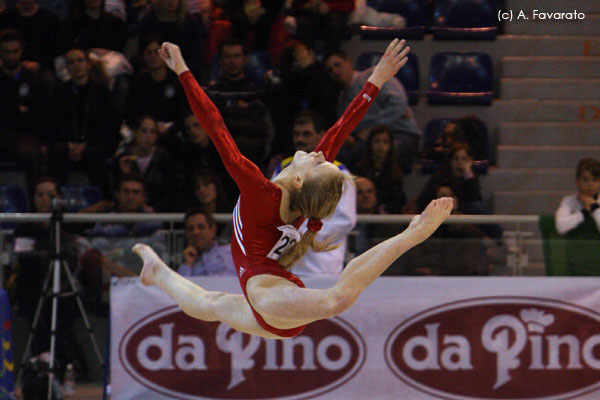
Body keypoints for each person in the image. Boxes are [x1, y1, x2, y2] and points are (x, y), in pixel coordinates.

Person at [134, 39, 453, 340]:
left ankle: (414, 234)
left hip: (269, 298)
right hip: (272, 299)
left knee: (335, 300)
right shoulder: (303, 192)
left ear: (300, 179)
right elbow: (341, 128)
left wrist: (183, 71)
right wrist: (376, 81)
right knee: (210, 303)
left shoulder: (260, 191)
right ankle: (156, 273)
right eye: (321, 158)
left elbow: (215, 126)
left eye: (318, 162)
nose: (318, 153)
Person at [270, 109, 356, 276]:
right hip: (283, 262)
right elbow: (273, 207)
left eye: (306, 134)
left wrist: (302, 231)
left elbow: (345, 219)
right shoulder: (283, 169)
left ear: (322, 135)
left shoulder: (339, 173)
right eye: (296, 134)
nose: (300, 139)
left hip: (321, 265)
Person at [324, 48, 420, 169]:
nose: (335, 71)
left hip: (401, 133)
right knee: (338, 157)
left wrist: (372, 128)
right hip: (369, 141)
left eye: (337, 65)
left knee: (383, 153)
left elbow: (399, 102)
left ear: (348, 62)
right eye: (330, 70)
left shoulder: (374, 75)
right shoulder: (342, 101)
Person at [112, 114, 185, 212]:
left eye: (153, 132)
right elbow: (115, 192)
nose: (148, 136)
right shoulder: (123, 159)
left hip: (158, 213)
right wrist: (125, 174)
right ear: (135, 132)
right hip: (127, 213)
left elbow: (171, 193)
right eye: (144, 131)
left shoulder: (166, 159)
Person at [352, 125, 406, 214]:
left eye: (385, 142)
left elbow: (397, 201)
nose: (380, 146)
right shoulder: (358, 170)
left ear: (390, 146)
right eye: (377, 141)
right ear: (370, 144)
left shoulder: (396, 173)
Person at [177, 207, 236, 276]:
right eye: (190, 229)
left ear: (213, 230)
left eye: (201, 227)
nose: (195, 232)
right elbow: (179, 285)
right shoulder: (187, 265)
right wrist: (188, 263)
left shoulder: (231, 253)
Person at [555, 157, 600, 234]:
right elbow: (560, 226)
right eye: (585, 179)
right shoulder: (569, 201)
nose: (590, 184)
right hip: (574, 245)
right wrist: (585, 212)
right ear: (577, 181)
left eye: (594, 180)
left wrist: (594, 207)